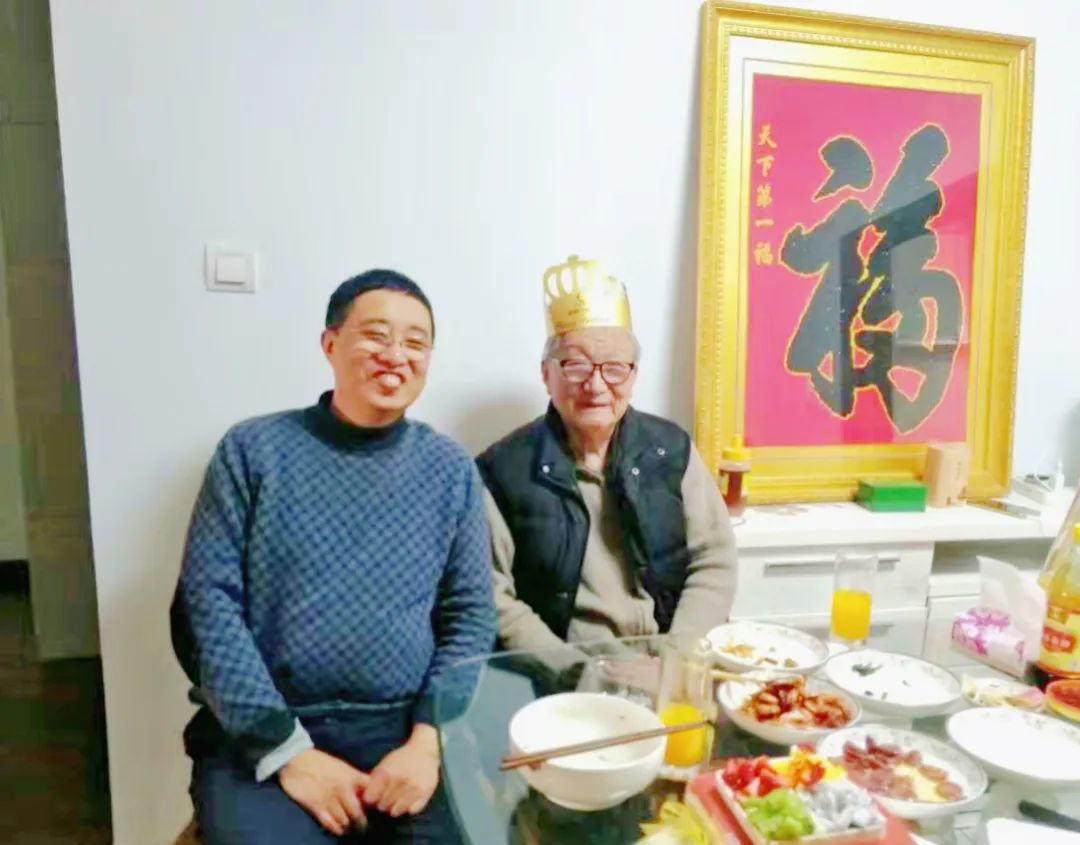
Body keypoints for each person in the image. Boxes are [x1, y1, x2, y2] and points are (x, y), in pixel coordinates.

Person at [171, 269, 495, 844]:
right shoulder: (253, 452)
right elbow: (208, 609)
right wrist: (289, 754)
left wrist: (428, 742)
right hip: (269, 726)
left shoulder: (450, 470)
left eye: (415, 342)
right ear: (330, 344)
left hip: (404, 729)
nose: (395, 355)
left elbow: (470, 616)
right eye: (376, 335)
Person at [477, 255, 738, 671]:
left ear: (633, 375)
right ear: (546, 374)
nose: (596, 385)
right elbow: (493, 597)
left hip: (671, 663)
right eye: (576, 365)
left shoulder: (672, 451)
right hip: (566, 677)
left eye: (615, 368)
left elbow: (714, 561)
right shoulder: (502, 471)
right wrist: (574, 672)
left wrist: (676, 661)